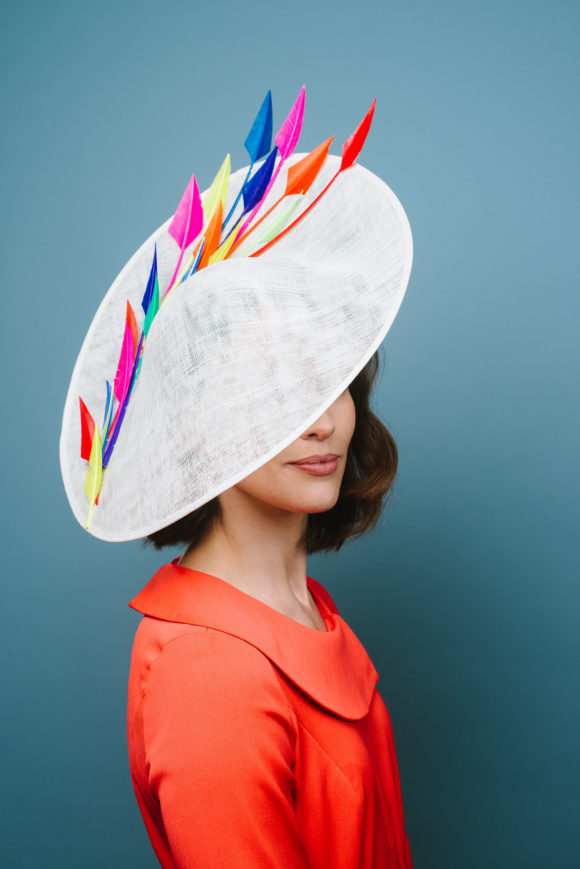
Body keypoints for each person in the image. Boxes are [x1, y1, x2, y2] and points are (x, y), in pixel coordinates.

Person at [59, 89, 414, 867]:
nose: (321, 420)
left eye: (332, 382)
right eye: (274, 392)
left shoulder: (297, 610)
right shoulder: (211, 671)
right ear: (201, 419)